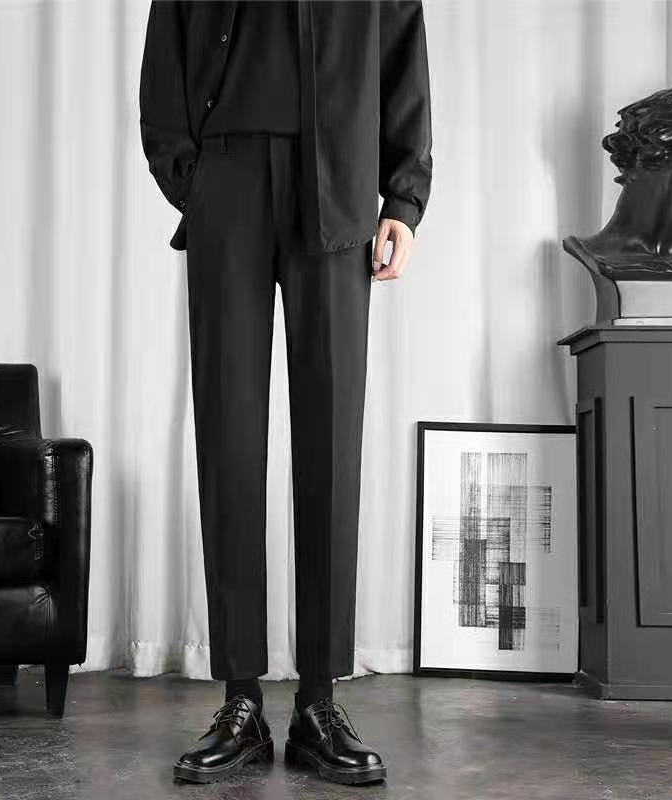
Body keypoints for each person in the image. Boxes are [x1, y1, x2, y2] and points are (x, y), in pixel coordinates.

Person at [139, 0, 432, 785]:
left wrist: (402, 199)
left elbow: (402, 61)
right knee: (230, 434)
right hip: (228, 177)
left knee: (331, 442)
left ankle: (317, 703)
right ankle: (239, 699)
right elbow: (164, 65)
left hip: (339, 180)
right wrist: (193, 179)